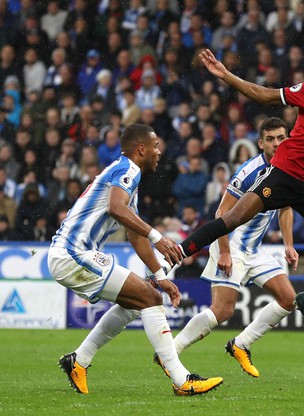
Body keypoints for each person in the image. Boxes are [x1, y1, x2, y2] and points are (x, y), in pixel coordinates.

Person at [169, 49, 304, 340]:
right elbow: (264, 96)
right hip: (282, 175)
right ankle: (178, 253)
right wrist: (225, 74)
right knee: (232, 219)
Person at [49, 123, 222, 396]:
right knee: (150, 300)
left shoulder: (127, 175)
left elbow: (134, 234)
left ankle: (77, 361)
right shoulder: (127, 169)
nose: (159, 152)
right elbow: (116, 208)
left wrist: (161, 277)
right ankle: (181, 379)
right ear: (141, 149)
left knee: (137, 303)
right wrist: (159, 237)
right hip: (72, 253)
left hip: (72, 254)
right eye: (155, 146)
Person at [154, 117, 299, 379]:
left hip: (255, 250)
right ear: (260, 143)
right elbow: (222, 211)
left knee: (289, 300)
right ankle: (170, 352)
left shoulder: (289, 170)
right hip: (231, 244)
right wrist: (224, 251)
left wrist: (289, 245)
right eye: (270, 139)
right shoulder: (248, 172)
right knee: (223, 310)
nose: (277, 143)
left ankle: (240, 345)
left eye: (281, 138)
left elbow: (286, 207)